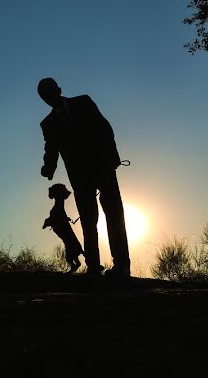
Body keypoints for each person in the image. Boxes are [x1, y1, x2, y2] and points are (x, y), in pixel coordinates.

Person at [37, 78, 130, 278]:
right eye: (44, 96)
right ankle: (94, 267)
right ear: (43, 99)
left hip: (103, 168)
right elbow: (51, 148)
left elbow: (105, 129)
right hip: (79, 178)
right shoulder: (48, 124)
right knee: (88, 221)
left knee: (114, 215)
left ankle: (122, 265)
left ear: (59, 90)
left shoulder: (84, 102)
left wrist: (113, 157)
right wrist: (49, 167)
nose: (48, 98)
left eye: (50, 92)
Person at [42, 183, 83, 273]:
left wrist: (48, 222)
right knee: (72, 248)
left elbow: (56, 218)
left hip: (66, 236)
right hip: (66, 235)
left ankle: (75, 266)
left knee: (70, 252)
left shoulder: (57, 208)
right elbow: (57, 217)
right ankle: (77, 265)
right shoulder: (58, 208)